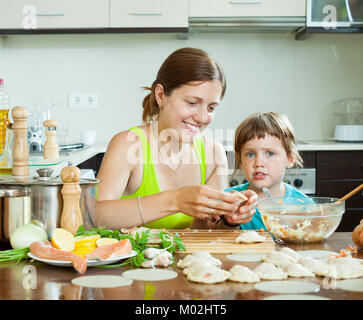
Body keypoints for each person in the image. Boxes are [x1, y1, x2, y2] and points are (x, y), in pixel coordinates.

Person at [96, 47, 257, 230]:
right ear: (160, 95)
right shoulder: (129, 144)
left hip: (189, 258)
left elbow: (209, 232)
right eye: (191, 103)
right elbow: (94, 217)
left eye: (211, 108)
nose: (202, 118)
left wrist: (228, 217)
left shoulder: (214, 152)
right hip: (133, 259)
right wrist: (175, 200)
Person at [225, 112, 308, 230]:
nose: (259, 163)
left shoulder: (306, 207)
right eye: (250, 154)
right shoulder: (228, 200)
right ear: (240, 160)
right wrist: (227, 221)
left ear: (290, 158)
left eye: (270, 153)